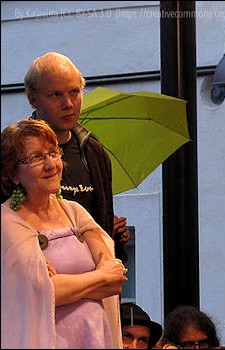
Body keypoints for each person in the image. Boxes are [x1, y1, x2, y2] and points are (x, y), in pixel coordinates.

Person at [1, 118, 126, 348]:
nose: (51, 164)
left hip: (94, 336)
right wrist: (96, 279)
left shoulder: (75, 212)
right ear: (13, 174)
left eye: (53, 152)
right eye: (36, 157)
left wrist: (63, 285)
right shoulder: (7, 223)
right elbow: (40, 293)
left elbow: (115, 281)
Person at [20, 51, 131, 262]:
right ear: (33, 99)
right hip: (42, 279)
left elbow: (98, 221)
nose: (69, 104)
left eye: (74, 91)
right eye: (56, 95)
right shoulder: (14, 154)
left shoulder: (94, 153)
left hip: (95, 279)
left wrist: (111, 234)